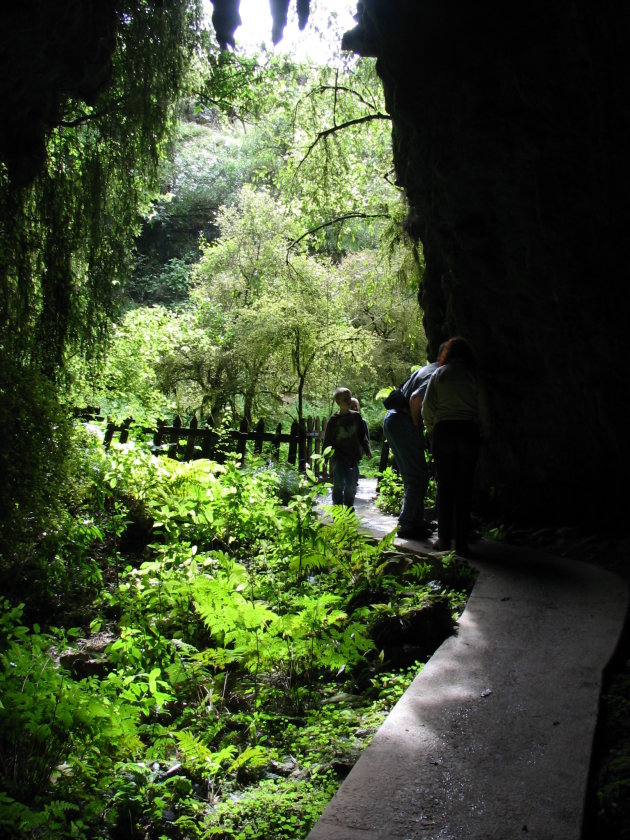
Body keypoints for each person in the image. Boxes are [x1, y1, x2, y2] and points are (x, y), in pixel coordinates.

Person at [421, 336, 490, 556]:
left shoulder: (440, 374)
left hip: (444, 432)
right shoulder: (473, 375)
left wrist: (432, 427)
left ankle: (443, 539)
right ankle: (461, 542)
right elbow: (484, 407)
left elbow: (426, 407)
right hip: (468, 432)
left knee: (445, 487)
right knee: (464, 489)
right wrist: (485, 431)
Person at [382, 351, 443, 540]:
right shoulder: (438, 373)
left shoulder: (427, 369)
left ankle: (416, 522)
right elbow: (416, 398)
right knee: (417, 477)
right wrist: (417, 426)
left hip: (393, 419)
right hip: (403, 421)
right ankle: (407, 523)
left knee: (415, 476)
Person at [323, 387, 372, 508]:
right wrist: (324, 457)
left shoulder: (356, 417)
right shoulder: (334, 420)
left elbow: (362, 435)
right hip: (338, 457)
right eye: (345, 399)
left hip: (352, 457)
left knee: (351, 484)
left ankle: (349, 505)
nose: (349, 401)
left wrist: (367, 449)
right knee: (339, 483)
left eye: (350, 397)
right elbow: (328, 439)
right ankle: (337, 506)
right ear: (338, 402)